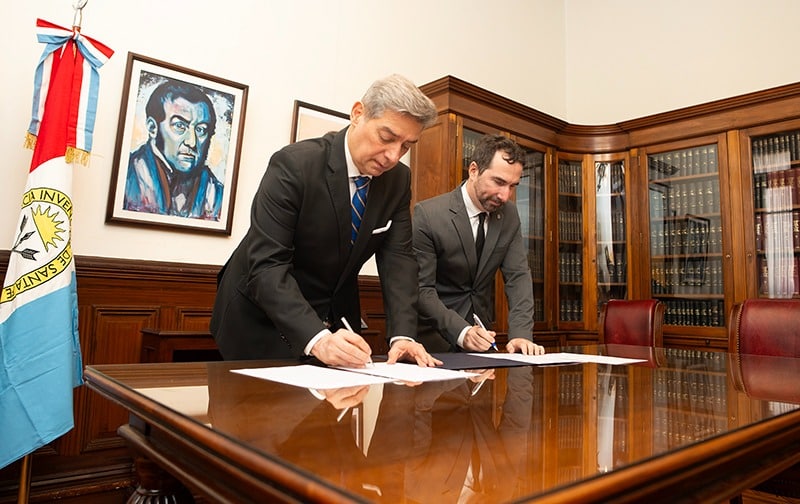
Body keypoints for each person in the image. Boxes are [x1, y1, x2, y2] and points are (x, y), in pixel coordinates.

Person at [211, 74, 442, 368]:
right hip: (259, 318)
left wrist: (403, 336)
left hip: (334, 319)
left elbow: (399, 261)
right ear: (358, 114)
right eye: (386, 138)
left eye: (406, 146)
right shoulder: (294, 165)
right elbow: (267, 265)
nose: (393, 156)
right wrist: (317, 338)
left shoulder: (397, 180)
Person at [413, 134, 544, 355]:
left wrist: (520, 333)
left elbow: (518, 276)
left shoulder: (509, 214)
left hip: (483, 342)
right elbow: (421, 289)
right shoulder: (428, 215)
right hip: (432, 344)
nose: (505, 195)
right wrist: (462, 331)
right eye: (499, 182)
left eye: (513, 186)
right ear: (473, 170)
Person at [124, 80, 224, 220]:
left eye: (201, 130)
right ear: (153, 128)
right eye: (180, 126)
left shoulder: (215, 192)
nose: (191, 142)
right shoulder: (127, 175)